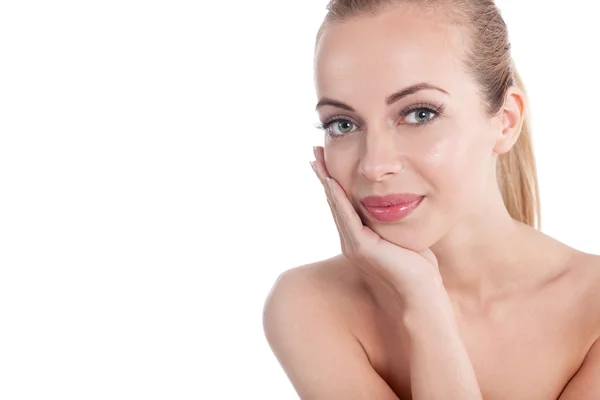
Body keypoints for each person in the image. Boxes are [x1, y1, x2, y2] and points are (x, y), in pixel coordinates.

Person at [262, 0, 600, 398]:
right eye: (343, 124)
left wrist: (425, 304)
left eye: (419, 114)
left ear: (505, 121)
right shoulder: (309, 305)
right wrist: (422, 297)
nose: (374, 165)